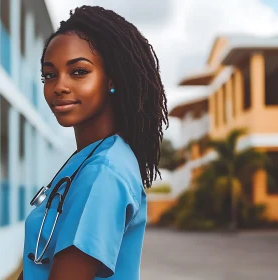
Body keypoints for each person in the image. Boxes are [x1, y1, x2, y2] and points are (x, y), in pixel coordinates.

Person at [19, 5, 168, 280]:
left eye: (78, 71)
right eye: (49, 75)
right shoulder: (88, 159)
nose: (59, 86)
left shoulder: (104, 172)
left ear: (111, 79)